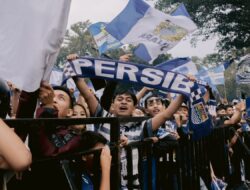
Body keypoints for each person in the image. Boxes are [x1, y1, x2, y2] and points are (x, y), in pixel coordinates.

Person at [72, 76, 185, 189]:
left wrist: (183, 93)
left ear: (134, 107)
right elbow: (88, 95)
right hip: (105, 182)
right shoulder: (103, 118)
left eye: (128, 100)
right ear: (113, 104)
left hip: (131, 185)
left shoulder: (141, 126)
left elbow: (166, 114)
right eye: (120, 99)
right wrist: (76, 76)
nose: (124, 102)